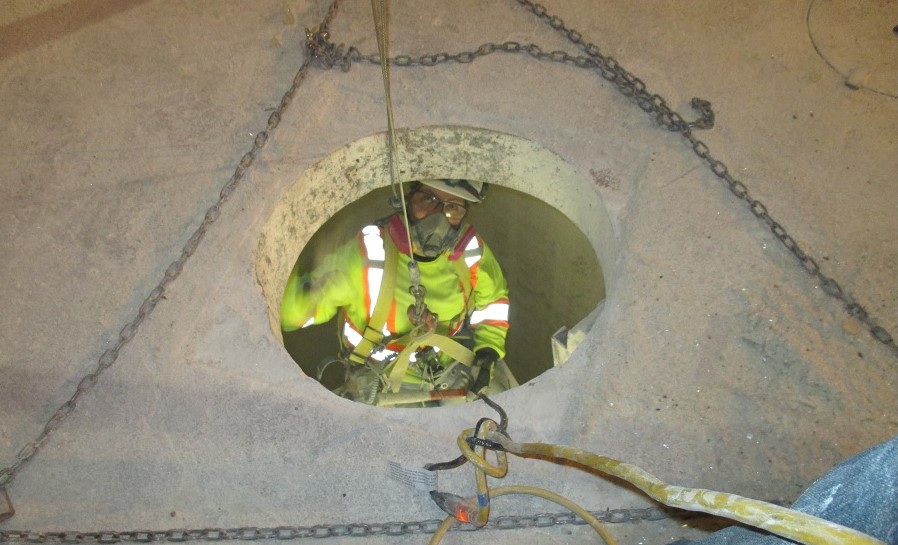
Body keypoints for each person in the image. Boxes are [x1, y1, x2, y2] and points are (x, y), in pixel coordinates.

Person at [280, 179, 511, 406]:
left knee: (494, 418)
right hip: (380, 380)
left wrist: (488, 351)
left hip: (448, 368)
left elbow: (493, 303)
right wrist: (292, 259)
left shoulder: (470, 251)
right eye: (428, 200)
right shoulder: (368, 254)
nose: (438, 217)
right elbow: (294, 313)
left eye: (453, 207)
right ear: (407, 199)